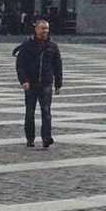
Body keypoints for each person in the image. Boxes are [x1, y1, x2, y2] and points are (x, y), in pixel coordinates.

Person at [16, 19, 62, 149]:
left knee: (46, 111)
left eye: (46, 29)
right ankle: (30, 138)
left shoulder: (52, 46)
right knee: (30, 112)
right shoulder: (27, 45)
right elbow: (20, 65)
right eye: (42, 28)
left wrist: (58, 84)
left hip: (46, 83)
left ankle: (46, 138)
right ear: (36, 30)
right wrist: (23, 80)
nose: (45, 31)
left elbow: (58, 66)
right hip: (30, 84)